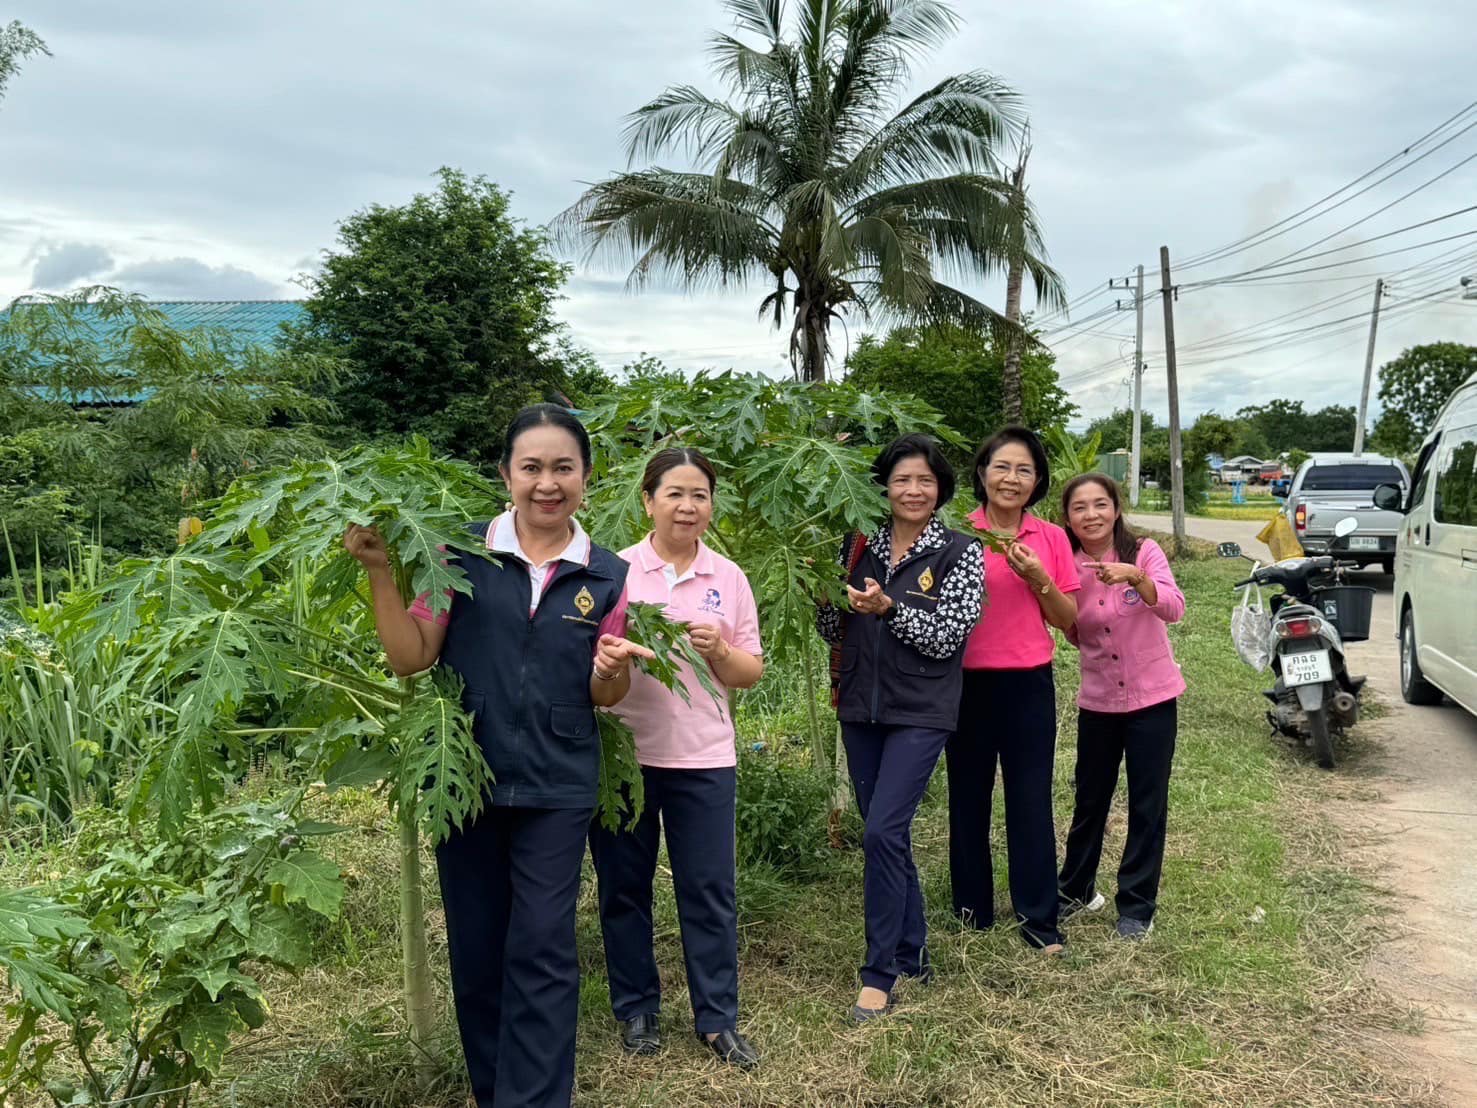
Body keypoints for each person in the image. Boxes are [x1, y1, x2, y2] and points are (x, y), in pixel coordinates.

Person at [343, 404, 653, 1108]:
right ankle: (494, 1092)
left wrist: (610, 670)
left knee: (543, 948)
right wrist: (381, 574)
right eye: (532, 467)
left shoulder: (605, 573)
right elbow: (409, 657)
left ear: (586, 477)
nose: (548, 483)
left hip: (559, 781)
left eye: (563, 468)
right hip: (467, 779)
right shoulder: (456, 555)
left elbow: (607, 689)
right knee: (479, 951)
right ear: (506, 475)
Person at [588, 447, 765, 1068]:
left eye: (700, 496)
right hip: (625, 759)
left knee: (709, 889)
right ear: (648, 500)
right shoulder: (613, 572)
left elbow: (749, 672)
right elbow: (592, 668)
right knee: (624, 888)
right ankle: (636, 1009)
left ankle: (717, 1018)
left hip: (704, 758)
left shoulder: (730, 577)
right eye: (675, 494)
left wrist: (719, 649)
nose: (688, 507)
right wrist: (607, 662)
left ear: (712, 505)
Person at [817, 433, 984, 1021]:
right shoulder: (856, 541)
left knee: (883, 832)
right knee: (887, 833)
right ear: (882, 486)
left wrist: (890, 608)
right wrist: (833, 594)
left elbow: (948, 636)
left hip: (922, 709)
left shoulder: (961, 552)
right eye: (901, 480)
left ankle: (878, 970)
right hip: (859, 704)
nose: (913, 490)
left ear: (940, 490)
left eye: (925, 481)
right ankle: (913, 952)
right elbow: (829, 628)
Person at [947, 426, 1079, 952]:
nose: (1012, 478)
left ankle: (1039, 918)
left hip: (1028, 683)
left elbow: (1069, 619)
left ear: (1038, 481)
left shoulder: (1050, 538)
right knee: (968, 796)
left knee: (1029, 798)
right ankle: (971, 910)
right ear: (982, 473)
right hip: (964, 683)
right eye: (1002, 467)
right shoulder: (956, 533)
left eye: (1025, 470)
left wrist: (1039, 580)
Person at [1056, 473, 1185, 941]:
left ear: (1116, 508)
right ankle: (1075, 891)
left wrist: (1137, 579)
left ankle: (1136, 905)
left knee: (1147, 803)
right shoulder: (1066, 564)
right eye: (1079, 508)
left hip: (1153, 699)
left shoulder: (1142, 552)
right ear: (1067, 517)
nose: (1091, 515)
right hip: (1099, 701)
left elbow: (1174, 607)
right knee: (1090, 799)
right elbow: (1070, 628)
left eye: (1100, 505)